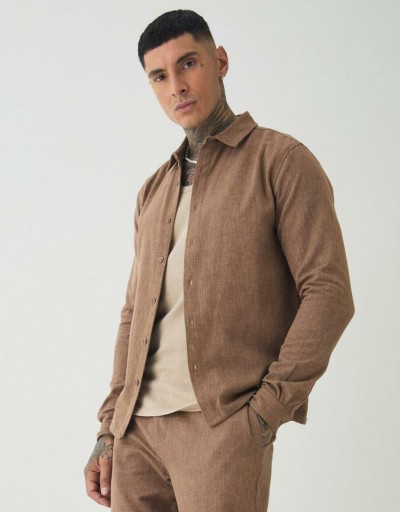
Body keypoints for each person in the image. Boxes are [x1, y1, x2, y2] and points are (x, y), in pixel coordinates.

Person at [84, 9, 355, 511]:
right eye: (159, 76)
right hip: (136, 435)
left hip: (220, 428)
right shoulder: (153, 191)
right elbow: (133, 314)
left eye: (188, 64)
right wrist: (108, 430)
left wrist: (264, 413)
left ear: (220, 62)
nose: (177, 87)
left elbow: (329, 293)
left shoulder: (281, 162)